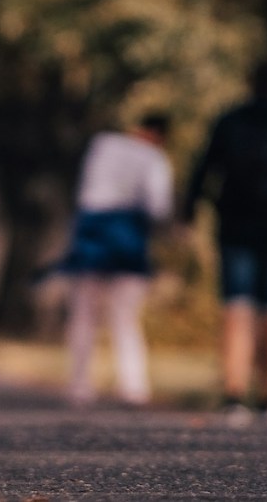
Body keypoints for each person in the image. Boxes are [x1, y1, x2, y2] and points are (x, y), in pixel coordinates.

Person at [182, 61, 267, 425]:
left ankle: (233, 396)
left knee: (235, 308)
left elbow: (204, 168)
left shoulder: (230, 120)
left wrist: (188, 213)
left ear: (249, 82)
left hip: (233, 226)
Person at [56, 114, 174, 408]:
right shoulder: (155, 159)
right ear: (160, 135)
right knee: (125, 315)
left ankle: (80, 383)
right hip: (128, 236)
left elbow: (86, 188)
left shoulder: (102, 144)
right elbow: (158, 207)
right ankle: (133, 385)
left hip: (92, 232)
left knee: (84, 313)